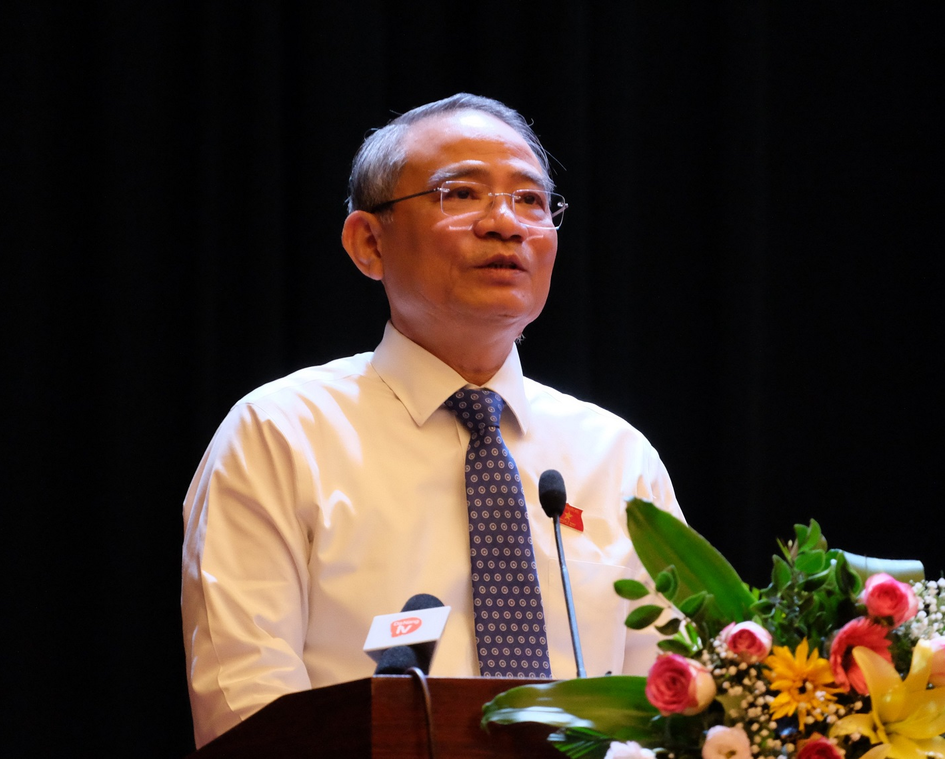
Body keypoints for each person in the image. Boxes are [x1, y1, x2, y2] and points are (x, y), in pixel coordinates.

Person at [180, 93, 684, 747]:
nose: (506, 223)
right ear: (369, 242)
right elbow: (248, 710)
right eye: (462, 194)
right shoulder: (279, 434)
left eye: (531, 200)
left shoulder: (617, 456)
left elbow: (680, 704)